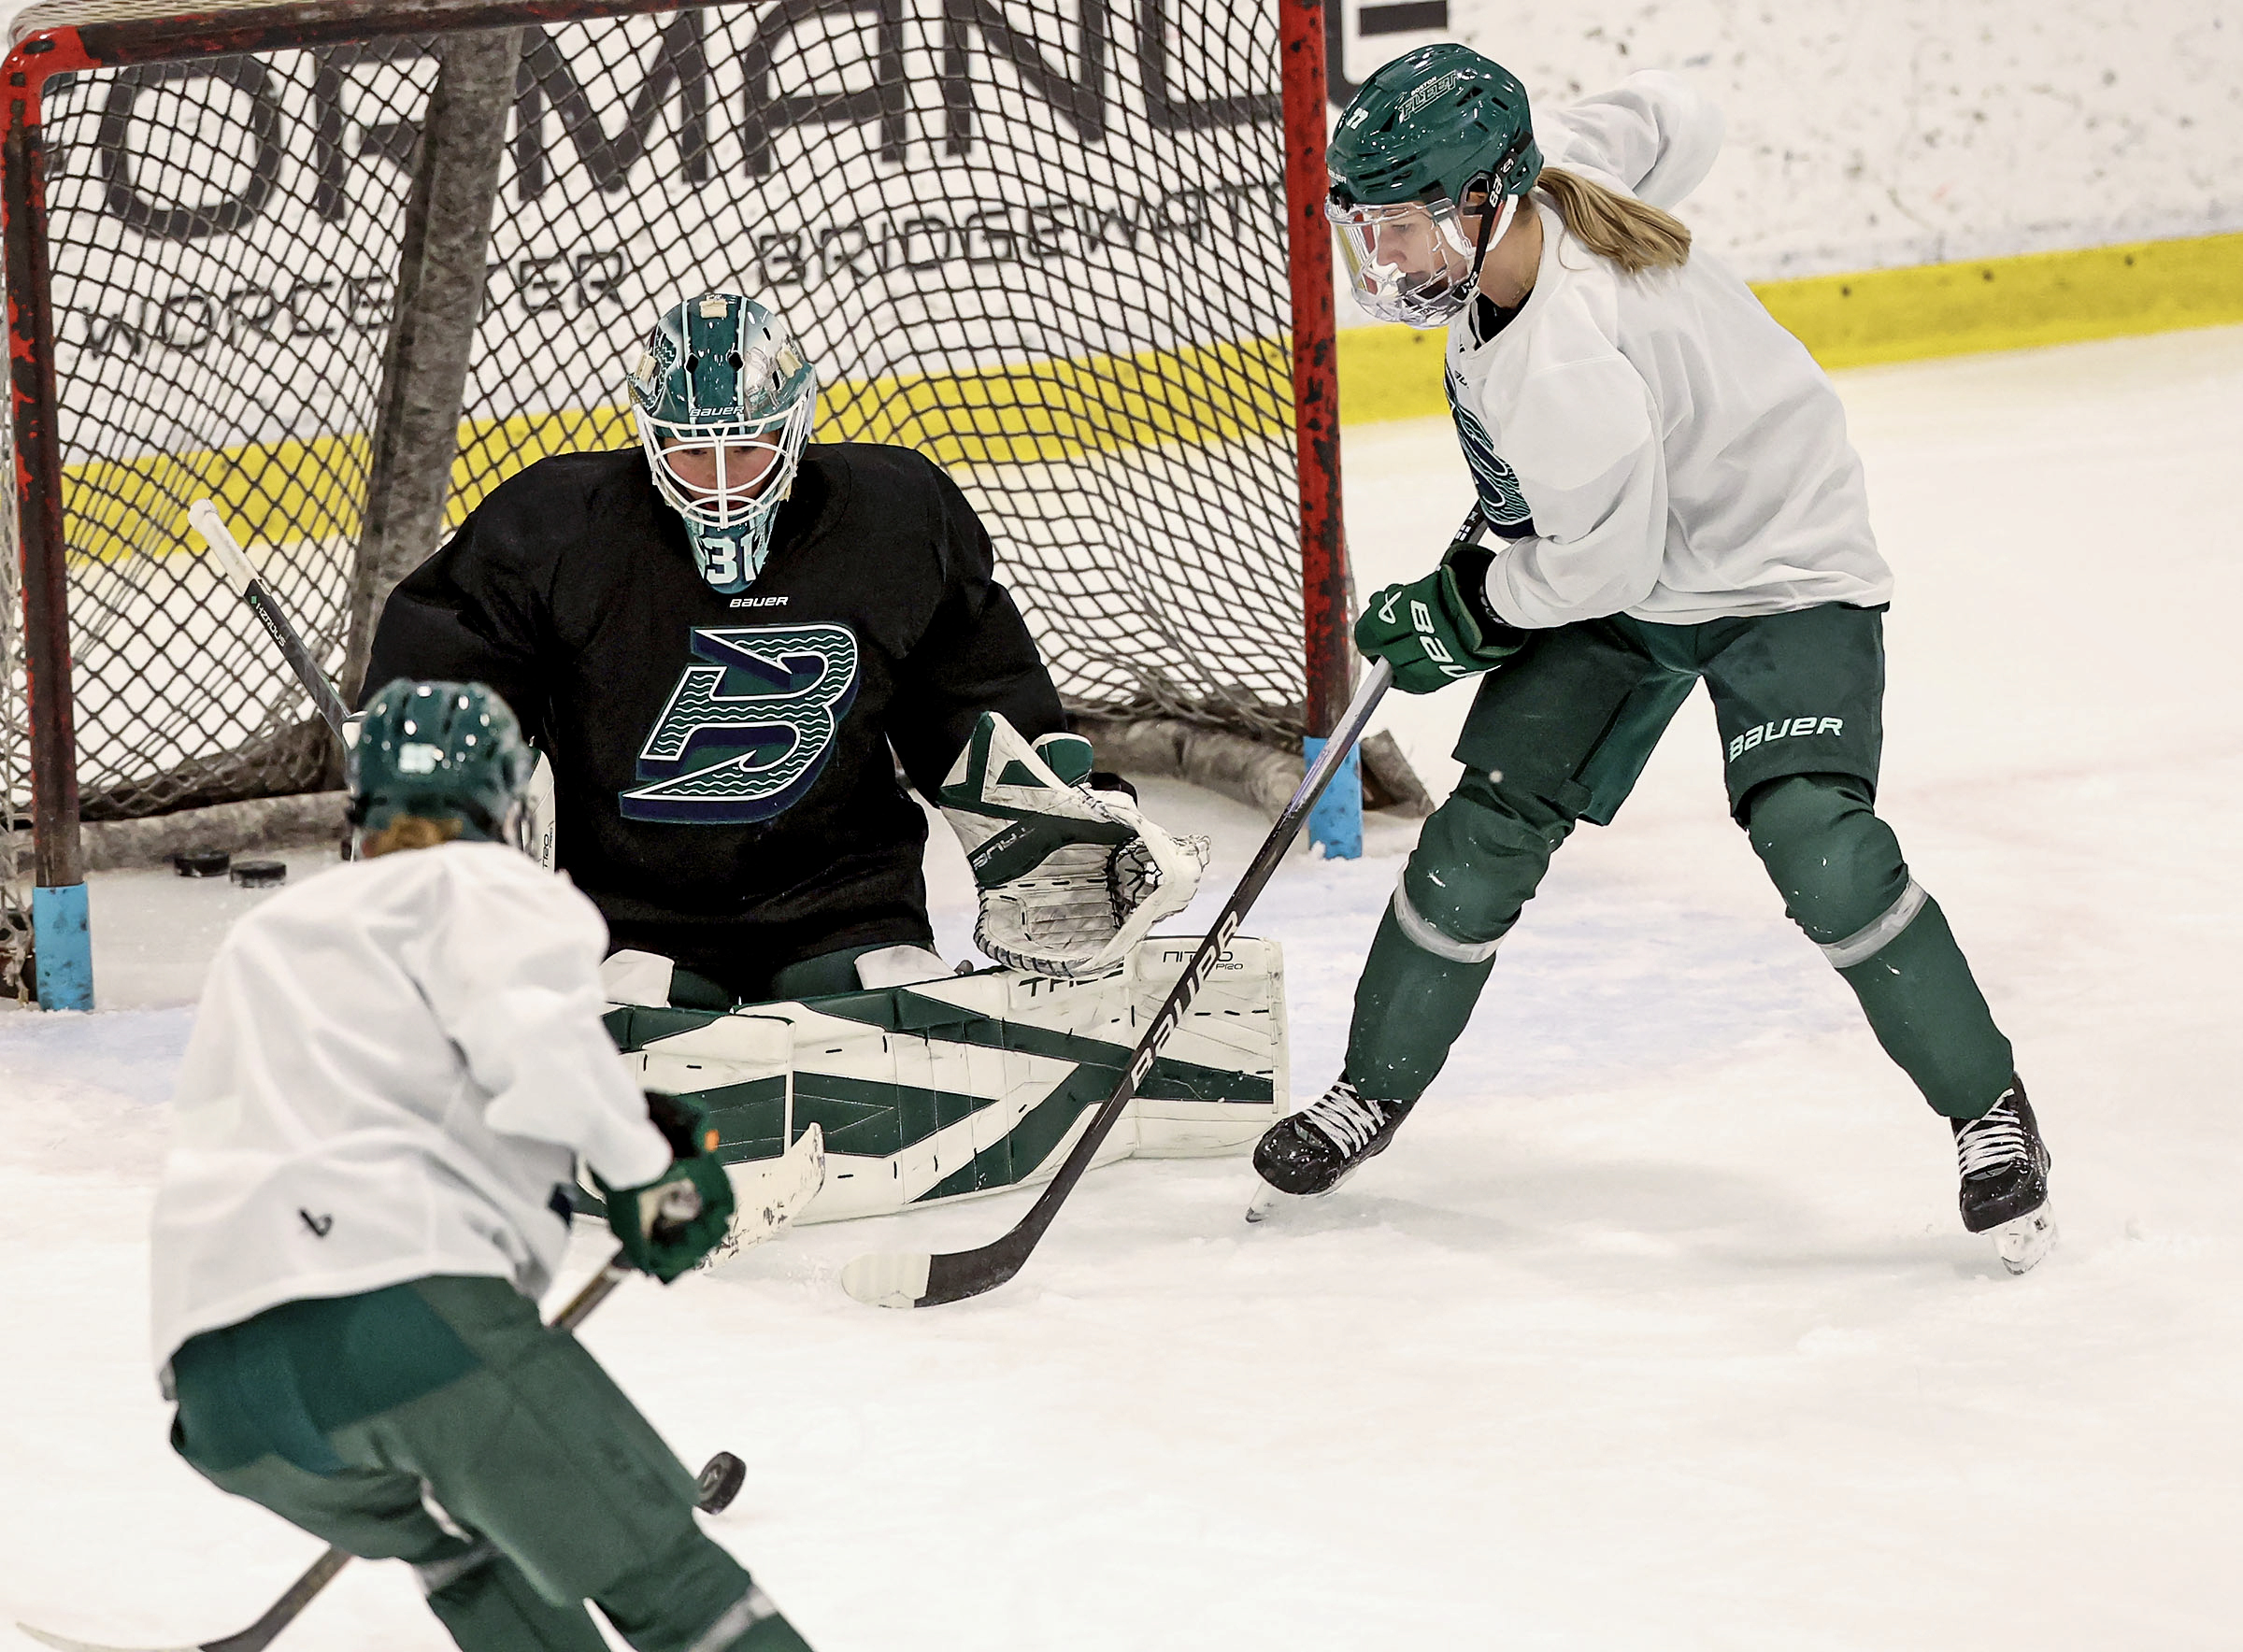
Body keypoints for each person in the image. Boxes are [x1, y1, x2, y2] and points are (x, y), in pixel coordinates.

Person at [1248, 48, 2055, 1274]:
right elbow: (1685, 112)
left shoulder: (1566, 358)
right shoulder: (1553, 173)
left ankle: (1986, 1108)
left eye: (1404, 225)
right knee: (1484, 829)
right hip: (1634, 555)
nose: (1385, 258)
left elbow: (1599, 572)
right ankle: (1372, 1089)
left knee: (1817, 842)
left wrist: (1463, 615)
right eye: (1372, 226)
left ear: (1486, 199)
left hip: (1777, 568)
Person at [149, 678, 815, 1652]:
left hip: (220, 1390)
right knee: (675, 1587)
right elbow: (533, 1040)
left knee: (479, 1559)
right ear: (507, 807)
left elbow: (356, 1097)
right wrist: (647, 1173)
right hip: (409, 1324)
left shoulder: (268, 937)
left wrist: (613, 1123)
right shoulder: (481, 886)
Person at [363, 292, 1200, 1007]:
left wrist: (1065, 814)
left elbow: (974, 697)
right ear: (649, 435)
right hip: (628, 913)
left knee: (883, 1009)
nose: (722, 481)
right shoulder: (557, 528)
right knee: (627, 1028)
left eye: (748, 446)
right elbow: (448, 675)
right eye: (693, 450)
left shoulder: (894, 521)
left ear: (795, 423)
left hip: (842, 900)